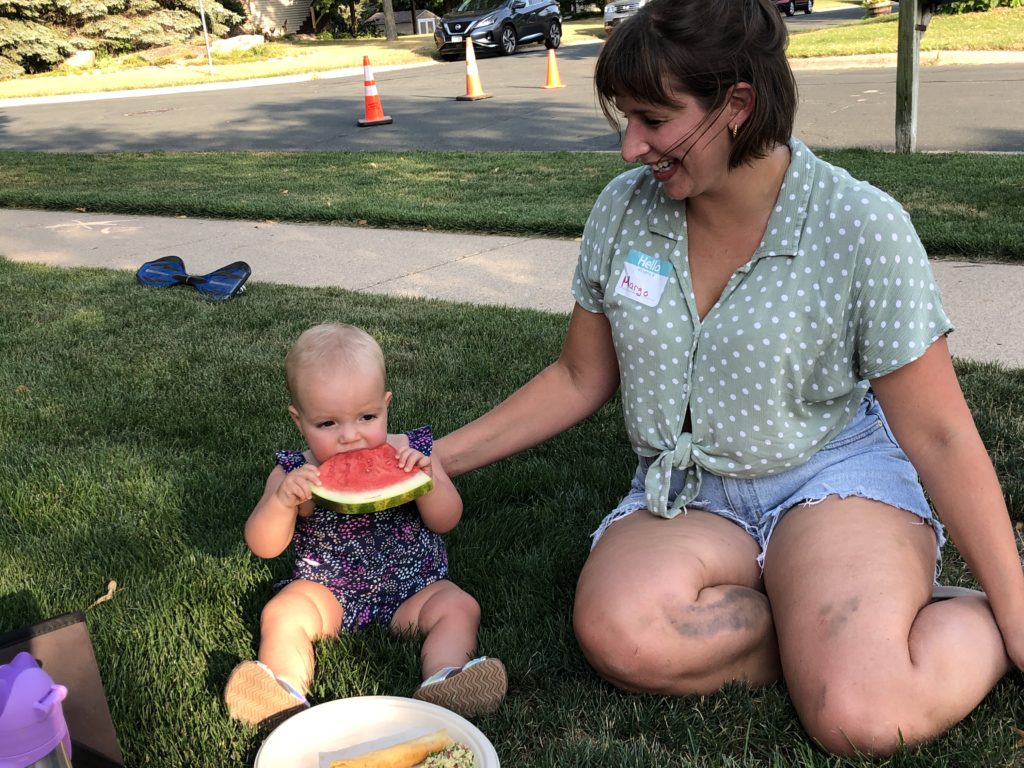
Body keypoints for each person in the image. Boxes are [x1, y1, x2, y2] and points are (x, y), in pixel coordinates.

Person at [427, 0, 1024, 756]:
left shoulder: (859, 225)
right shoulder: (625, 211)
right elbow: (579, 375)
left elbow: (939, 433)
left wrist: (1017, 605)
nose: (629, 147)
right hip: (688, 493)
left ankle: (948, 621)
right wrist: (433, 458)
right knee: (622, 635)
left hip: (828, 477)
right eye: (626, 119)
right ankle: (827, 623)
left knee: (863, 716)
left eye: (653, 119)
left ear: (737, 104)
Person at [224, 323, 506, 726]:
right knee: (282, 612)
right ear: (298, 420)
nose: (351, 437)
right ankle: (283, 692)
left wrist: (426, 482)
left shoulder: (414, 453)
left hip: (415, 591)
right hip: (328, 597)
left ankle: (446, 680)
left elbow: (447, 519)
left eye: (367, 416)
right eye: (327, 424)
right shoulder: (294, 473)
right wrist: (283, 501)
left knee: (459, 605)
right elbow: (263, 545)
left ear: (386, 404)